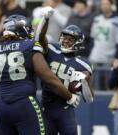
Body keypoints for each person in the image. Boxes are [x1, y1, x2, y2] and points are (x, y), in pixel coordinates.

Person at [0, 14, 80, 135]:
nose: (30, 32)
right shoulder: (29, 46)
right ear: (21, 29)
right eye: (28, 29)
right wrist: (69, 96)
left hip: (1, 107)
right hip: (25, 103)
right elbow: (49, 79)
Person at [34, 6, 94, 135]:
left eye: (70, 39)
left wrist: (84, 82)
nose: (66, 41)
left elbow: (89, 99)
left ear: (78, 42)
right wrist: (45, 19)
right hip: (46, 107)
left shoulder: (83, 64)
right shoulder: (51, 49)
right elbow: (39, 38)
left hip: (65, 109)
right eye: (65, 37)